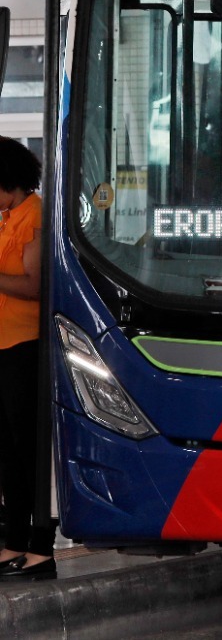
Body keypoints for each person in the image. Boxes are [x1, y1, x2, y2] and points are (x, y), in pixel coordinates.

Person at [0, 138, 54, 581]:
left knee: (26, 449)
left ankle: (40, 546)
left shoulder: (34, 216)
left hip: (24, 346)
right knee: (7, 451)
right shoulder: (8, 218)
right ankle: (13, 541)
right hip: (3, 346)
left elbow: (34, 285)